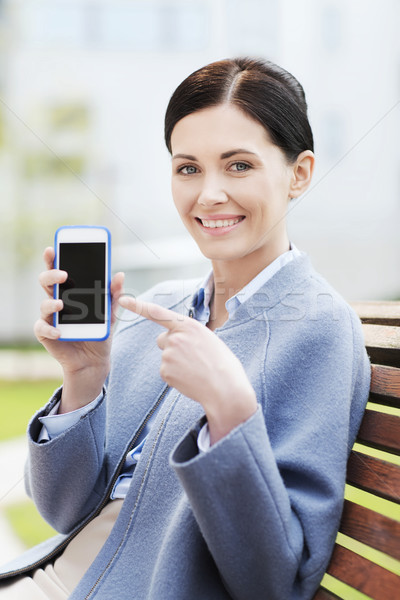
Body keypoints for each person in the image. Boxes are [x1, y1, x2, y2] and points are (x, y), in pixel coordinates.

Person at [0, 57, 370, 600]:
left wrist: (229, 409)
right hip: (50, 579)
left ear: (300, 173)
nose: (208, 194)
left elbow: (274, 581)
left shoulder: (318, 330)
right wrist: (83, 379)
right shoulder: (161, 307)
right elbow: (61, 512)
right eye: (188, 167)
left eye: (238, 165)